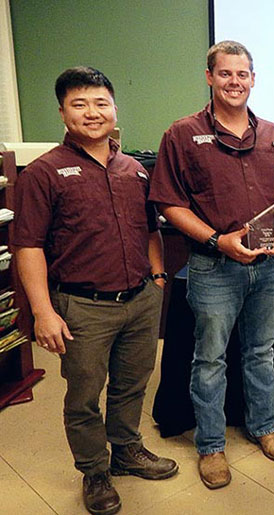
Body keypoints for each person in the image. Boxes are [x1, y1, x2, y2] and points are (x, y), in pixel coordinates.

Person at [12, 66, 177, 515]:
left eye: (100, 102)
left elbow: (150, 231)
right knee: (84, 395)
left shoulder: (134, 171)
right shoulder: (44, 173)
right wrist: (44, 312)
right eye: (79, 104)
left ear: (114, 108)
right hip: (83, 307)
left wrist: (158, 279)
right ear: (63, 112)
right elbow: (27, 246)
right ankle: (94, 471)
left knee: (131, 385)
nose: (92, 112)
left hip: (140, 300)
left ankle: (126, 451)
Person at [150, 41, 274, 489]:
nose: (235, 82)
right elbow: (169, 204)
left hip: (268, 267)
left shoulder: (273, 133)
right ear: (210, 77)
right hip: (214, 268)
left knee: (260, 353)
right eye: (226, 74)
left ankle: (264, 427)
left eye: (243, 74)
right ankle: (211, 445)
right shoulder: (181, 133)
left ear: (254, 78)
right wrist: (218, 240)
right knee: (210, 359)